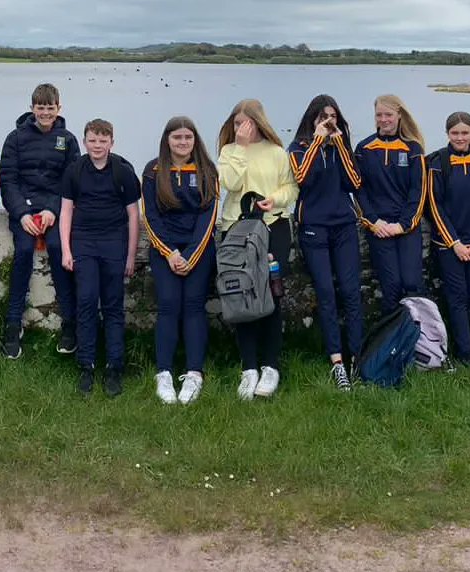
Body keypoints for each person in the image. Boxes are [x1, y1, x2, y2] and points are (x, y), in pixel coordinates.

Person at [217, 100, 298, 400]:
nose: (242, 129)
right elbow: (230, 182)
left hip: (273, 226)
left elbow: (291, 188)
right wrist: (238, 147)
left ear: (259, 123)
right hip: (236, 228)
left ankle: (270, 365)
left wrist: (274, 200)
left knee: (270, 292)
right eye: (238, 123)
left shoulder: (277, 153)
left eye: (247, 123)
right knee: (241, 294)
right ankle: (248, 368)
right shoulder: (228, 152)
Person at [0, 83, 81, 359]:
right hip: (24, 210)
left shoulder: (68, 140)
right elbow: (7, 181)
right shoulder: (15, 138)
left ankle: (70, 323)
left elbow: (72, 182)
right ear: (32, 108)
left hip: (56, 211)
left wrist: (52, 210)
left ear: (59, 108)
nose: (45, 113)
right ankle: (13, 323)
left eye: (50, 107)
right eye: (40, 107)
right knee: (23, 251)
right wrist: (21, 213)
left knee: (59, 250)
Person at [59, 119, 141, 397]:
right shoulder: (75, 171)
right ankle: (86, 365)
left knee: (113, 305)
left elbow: (133, 216)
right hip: (83, 241)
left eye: (102, 141)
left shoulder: (123, 172)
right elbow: (66, 212)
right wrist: (67, 250)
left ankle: (114, 368)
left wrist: (131, 255)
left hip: (114, 243)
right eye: (92, 140)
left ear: (111, 143)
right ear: (85, 142)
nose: (97, 146)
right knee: (86, 302)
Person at [288, 94, 363, 391]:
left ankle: (357, 357)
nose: (329, 122)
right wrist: (318, 143)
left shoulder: (343, 149)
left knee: (351, 291)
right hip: (314, 228)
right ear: (312, 120)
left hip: (343, 225)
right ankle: (337, 363)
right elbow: (301, 178)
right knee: (326, 293)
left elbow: (355, 183)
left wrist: (340, 145)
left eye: (333, 117)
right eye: (323, 117)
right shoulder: (298, 148)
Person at [142, 116, 218, 405]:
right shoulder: (153, 170)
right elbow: (151, 216)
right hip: (166, 251)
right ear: (168, 140)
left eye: (188, 137)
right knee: (169, 305)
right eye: (177, 138)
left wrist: (191, 255)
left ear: (194, 140)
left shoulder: (207, 170)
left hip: (198, 249)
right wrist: (171, 253)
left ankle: (194, 373)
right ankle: (164, 373)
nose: (183, 142)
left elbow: (207, 217)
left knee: (194, 306)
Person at [425, 112, 470, 364]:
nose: (460, 137)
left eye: (465, 133)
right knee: (457, 298)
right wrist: (454, 243)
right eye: (455, 133)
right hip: (448, 244)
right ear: (447, 134)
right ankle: (465, 352)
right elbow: (435, 206)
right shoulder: (437, 163)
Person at [354, 94, 427, 312]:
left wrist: (403, 224)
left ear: (399, 116)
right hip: (379, 228)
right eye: (379, 115)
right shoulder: (364, 148)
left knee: (412, 284)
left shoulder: (413, 149)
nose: (384, 119)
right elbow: (359, 190)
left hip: (406, 228)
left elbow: (418, 191)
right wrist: (374, 222)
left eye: (389, 114)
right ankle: (392, 341)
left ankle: (420, 341)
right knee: (391, 286)